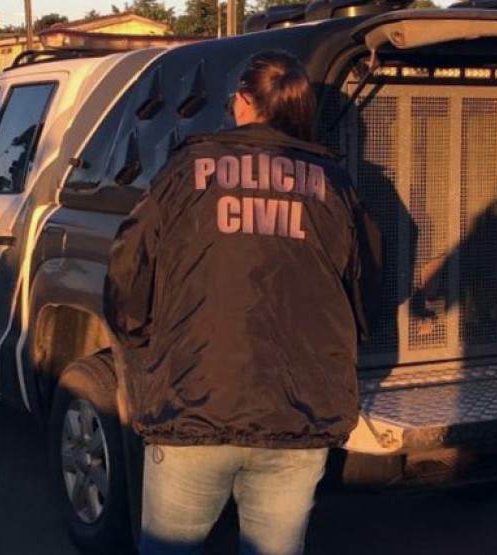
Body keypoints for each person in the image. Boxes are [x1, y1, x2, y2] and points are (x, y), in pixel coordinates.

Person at [105, 50, 383, 555]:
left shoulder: (186, 170)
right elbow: (366, 297)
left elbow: (128, 272)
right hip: (298, 413)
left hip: (193, 405)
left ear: (242, 103)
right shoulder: (334, 184)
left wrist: (142, 339)